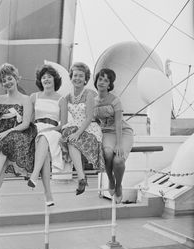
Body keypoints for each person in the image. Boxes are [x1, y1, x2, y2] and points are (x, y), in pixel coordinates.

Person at [0, 63, 37, 220]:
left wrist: (9, 131)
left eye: (10, 78)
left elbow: (25, 123)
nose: (7, 82)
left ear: (16, 78)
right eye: (3, 80)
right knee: (1, 163)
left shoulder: (26, 99)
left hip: (18, 133)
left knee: (5, 145)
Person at [60, 62, 105, 195]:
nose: (77, 78)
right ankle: (81, 177)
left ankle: (81, 177)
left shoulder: (89, 94)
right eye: (75, 75)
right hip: (75, 126)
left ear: (85, 79)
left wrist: (78, 133)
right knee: (70, 138)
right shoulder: (67, 97)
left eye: (81, 76)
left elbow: (89, 117)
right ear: (71, 77)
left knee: (73, 139)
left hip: (89, 127)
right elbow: (63, 122)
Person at [27, 64, 67, 207]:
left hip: (53, 130)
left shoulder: (61, 99)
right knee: (43, 151)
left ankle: (34, 175)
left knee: (44, 138)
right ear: (40, 81)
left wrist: (49, 130)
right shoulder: (34, 97)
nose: (46, 79)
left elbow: (63, 124)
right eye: (43, 77)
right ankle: (48, 194)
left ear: (55, 79)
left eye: (49, 76)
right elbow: (29, 119)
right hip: (36, 128)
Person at [93, 68, 134, 203]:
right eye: (100, 79)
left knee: (118, 160)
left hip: (122, 131)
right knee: (108, 153)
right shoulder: (92, 101)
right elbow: (96, 121)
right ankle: (111, 180)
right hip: (106, 132)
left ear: (110, 84)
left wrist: (119, 143)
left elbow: (118, 123)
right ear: (96, 81)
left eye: (106, 80)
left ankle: (118, 185)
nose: (102, 82)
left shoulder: (115, 100)